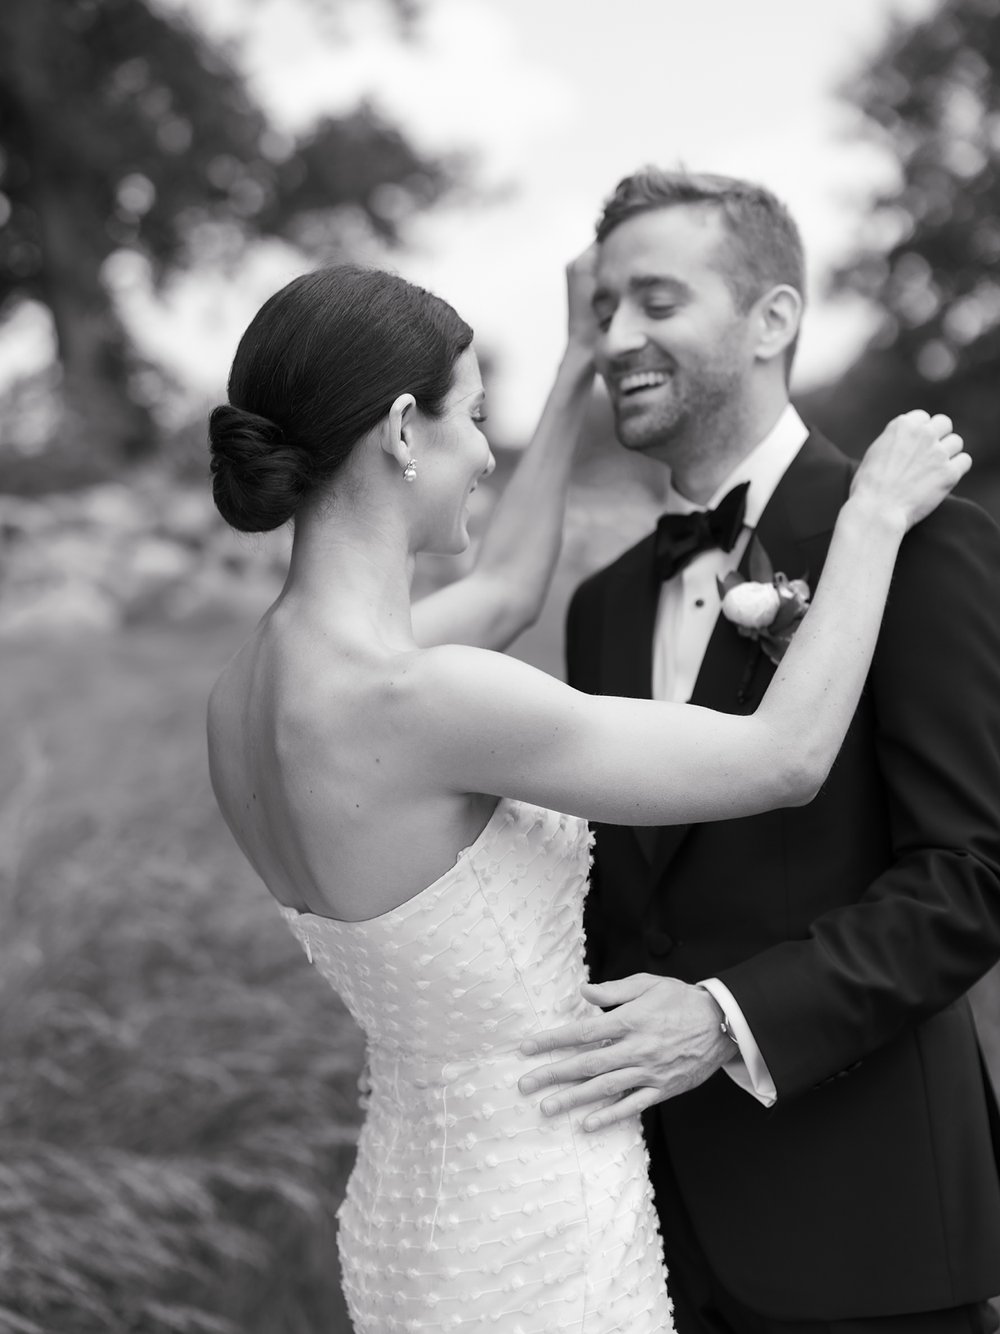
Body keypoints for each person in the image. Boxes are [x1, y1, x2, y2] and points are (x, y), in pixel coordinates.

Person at [205, 258, 968, 1334]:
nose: (483, 453)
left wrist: (572, 360)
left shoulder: (251, 688)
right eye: (473, 417)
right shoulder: (425, 697)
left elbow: (512, 587)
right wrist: (872, 517)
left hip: (419, 1199)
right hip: (533, 1224)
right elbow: (785, 754)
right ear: (400, 431)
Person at [520, 169, 1000, 1334]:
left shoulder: (910, 533)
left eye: (657, 301)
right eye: (602, 311)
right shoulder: (597, 608)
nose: (616, 339)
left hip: (866, 1228)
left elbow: (969, 875)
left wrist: (724, 1016)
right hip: (643, 1237)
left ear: (771, 318)